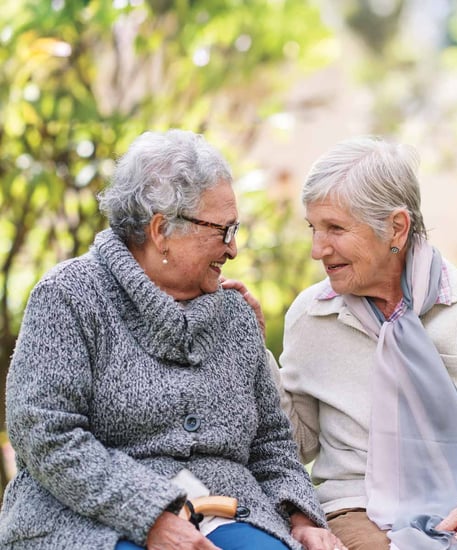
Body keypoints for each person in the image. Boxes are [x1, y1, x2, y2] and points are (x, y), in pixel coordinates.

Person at [0, 129, 347, 550]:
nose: (233, 249)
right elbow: (46, 435)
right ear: (162, 230)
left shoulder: (234, 315)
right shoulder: (68, 298)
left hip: (229, 510)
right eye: (223, 231)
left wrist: (301, 518)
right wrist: (150, 517)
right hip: (90, 517)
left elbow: (271, 443)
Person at [266, 136, 457, 550]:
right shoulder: (312, 315)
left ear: (396, 227)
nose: (316, 250)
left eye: (335, 229)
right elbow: (298, 444)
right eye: (314, 227)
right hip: (356, 506)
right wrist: (256, 354)